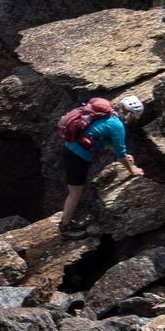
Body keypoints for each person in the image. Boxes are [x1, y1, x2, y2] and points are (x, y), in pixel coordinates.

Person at [59, 95, 145, 238]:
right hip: (77, 157)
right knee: (75, 193)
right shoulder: (117, 126)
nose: (132, 121)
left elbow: (97, 135)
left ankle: (67, 222)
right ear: (130, 114)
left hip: (70, 149)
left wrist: (123, 155)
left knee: (75, 190)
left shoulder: (108, 114)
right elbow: (120, 155)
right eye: (134, 118)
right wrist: (132, 170)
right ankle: (65, 228)